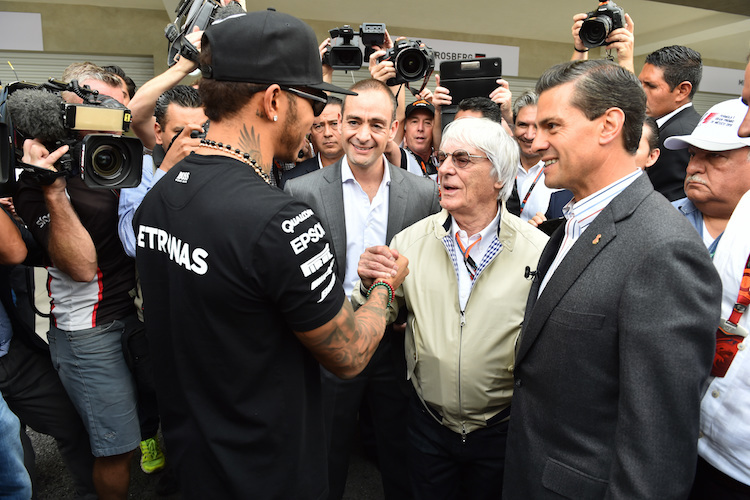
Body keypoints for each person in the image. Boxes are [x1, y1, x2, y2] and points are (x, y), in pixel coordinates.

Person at [133, 10, 408, 499]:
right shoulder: (281, 221)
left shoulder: (161, 193)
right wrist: (383, 289)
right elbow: (348, 354)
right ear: (275, 100)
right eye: (314, 101)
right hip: (264, 473)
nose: (318, 120)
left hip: (192, 465)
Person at [502, 59, 721, 499]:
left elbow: (657, 449)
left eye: (552, 126)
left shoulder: (664, 251)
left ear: (609, 125)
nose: (535, 141)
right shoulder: (574, 221)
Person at [355, 117, 547, 499]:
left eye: (462, 159)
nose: (443, 169)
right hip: (428, 426)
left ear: (499, 176)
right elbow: (384, 312)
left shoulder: (538, 251)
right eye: (443, 158)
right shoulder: (411, 240)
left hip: (502, 430)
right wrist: (371, 285)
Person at [285, 78, 440, 500]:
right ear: (338, 122)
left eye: (376, 123)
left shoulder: (424, 192)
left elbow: (428, 267)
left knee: (399, 456)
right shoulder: (303, 191)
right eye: (353, 121)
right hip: (332, 340)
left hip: (395, 348)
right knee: (327, 456)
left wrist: (409, 317)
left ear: (394, 128)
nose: (362, 134)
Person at [15, 62, 141, 500]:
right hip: (89, 330)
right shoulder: (39, 176)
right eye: (86, 98)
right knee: (116, 449)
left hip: (136, 313)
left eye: (110, 102)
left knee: (150, 425)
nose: (97, 109)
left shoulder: (123, 155)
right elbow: (83, 267)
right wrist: (53, 190)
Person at [664, 98, 750, 498]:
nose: (694, 165)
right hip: (668, 435)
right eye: (694, 153)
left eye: (715, 157)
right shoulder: (657, 224)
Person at [639, 45, 703, 201]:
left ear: (682, 91)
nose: (641, 92)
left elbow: (666, 199)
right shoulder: (665, 125)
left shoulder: (677, 136)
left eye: (651, 86)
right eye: (640, 83)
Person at [282, 96, 344, 186]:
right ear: (310, 131)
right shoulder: (293, 181)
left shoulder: (365, 172)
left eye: (334, 124)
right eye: (318, 126)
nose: (327, 133)